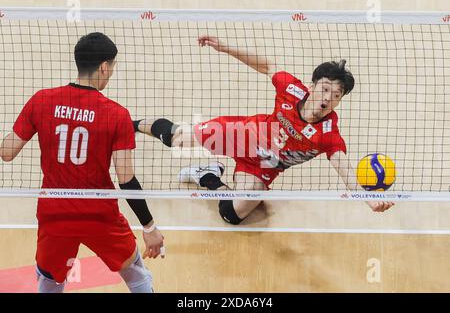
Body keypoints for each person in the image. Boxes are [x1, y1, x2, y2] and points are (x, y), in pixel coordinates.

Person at [133, 35, 395, 225]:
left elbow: (344, 168)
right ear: (313, 85)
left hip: (263, 167)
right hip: (241, 135)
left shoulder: (328, 134)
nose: (328, 98)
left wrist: (367, 199)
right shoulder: (291, 89)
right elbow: (266, 65)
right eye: (325, 89)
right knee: (177, 139)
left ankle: (208, 176)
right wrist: (225, 48)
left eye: (336, 95)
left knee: (233, 215)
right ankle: (131, 124)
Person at [0, 32, 164, 293]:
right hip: (100, 215)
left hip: (55, 214)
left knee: (50, 280)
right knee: (138, 276)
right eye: (112, 67)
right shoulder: (117, 115)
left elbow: (7, 152)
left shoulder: (42, 100)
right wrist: (149, 227)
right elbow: (127, 180)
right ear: (104, 66)